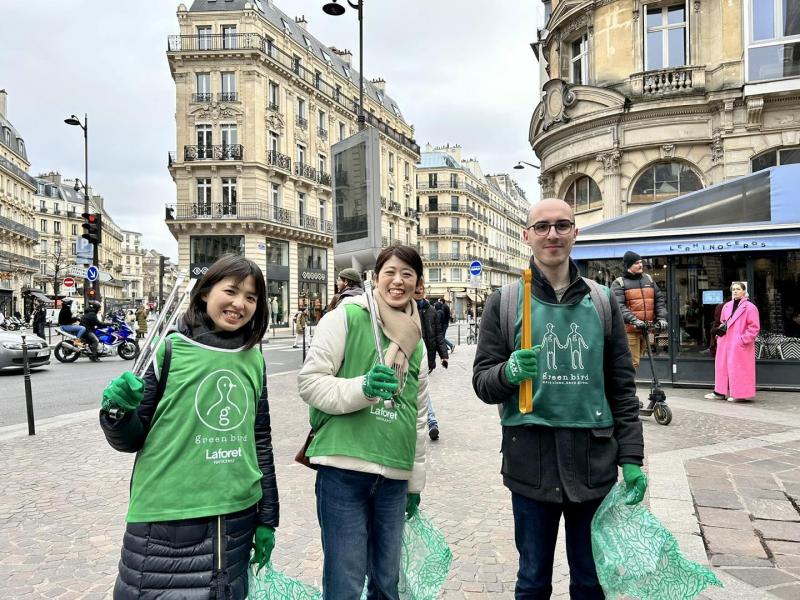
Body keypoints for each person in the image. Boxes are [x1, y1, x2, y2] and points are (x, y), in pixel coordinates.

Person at [472, 198, 645, 599]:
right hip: (530, 462)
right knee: (532, 581)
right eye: (543, 226)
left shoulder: (602, 302)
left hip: (593, 462)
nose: (553, 234)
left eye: (562, 225)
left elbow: (621, 388)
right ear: (527, 234)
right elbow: (483, 382)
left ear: (575, 233)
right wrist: (508, 372)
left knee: (591, 581)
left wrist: (632, 458)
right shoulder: (506, 300)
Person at [98, 254, 279, 599]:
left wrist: (268, 517)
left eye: (252, 297)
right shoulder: (167, 350)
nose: (240, 304)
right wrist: (117, 412)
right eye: (232, 291)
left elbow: (259, 441)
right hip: (166, 521)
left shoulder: (253, 358)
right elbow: (131, 439)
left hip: (238, 516)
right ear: (205, 293)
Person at [297, 245, 428, 600]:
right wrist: (363, 387)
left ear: (418, 284)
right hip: (343, 469)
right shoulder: (347, 316)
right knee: (345, 584)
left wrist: (415, 482)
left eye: (407, 274)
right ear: (375, 277)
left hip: (394, 476)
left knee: (387, 584)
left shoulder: (416, 338)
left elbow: (417, 412)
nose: (397, 281)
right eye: (390, 272)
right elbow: (310, 383)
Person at [705, 281, 761, 402]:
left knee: (739, 368)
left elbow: (754, 327)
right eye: (733, 289)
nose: (735, 291)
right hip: (725, 341)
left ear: (744, 291)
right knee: (722, 367)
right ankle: (720, 392)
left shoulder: (750, 307)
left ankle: (740, 394)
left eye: (738, 289)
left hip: (739, 343)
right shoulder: (727, 306)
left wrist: (743, 340)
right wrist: (719, 335)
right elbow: (723, 321)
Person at [610, 251, 667, 369]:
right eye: (637, 263)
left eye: (641, 262)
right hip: (629, 330)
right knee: (632, 363)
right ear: (628, 266)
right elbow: (619, 306)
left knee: (638, 360)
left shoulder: (648, 280)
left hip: (646, 329)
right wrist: (634, 320)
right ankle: (627, 387)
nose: (641, 265)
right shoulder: (619, 283)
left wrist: (662, 318)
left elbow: (659, 300)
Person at [416, 282, 448, 441]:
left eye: (421, 289)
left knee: (421, 390)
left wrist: (444, 355)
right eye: (417, 289)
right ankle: (431, 421)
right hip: (410, 358)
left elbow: (438, 335)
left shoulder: (432, 311)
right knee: (420, 389)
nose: (419, 292)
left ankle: (430, 421)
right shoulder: (405, 309)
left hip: (426, 359)